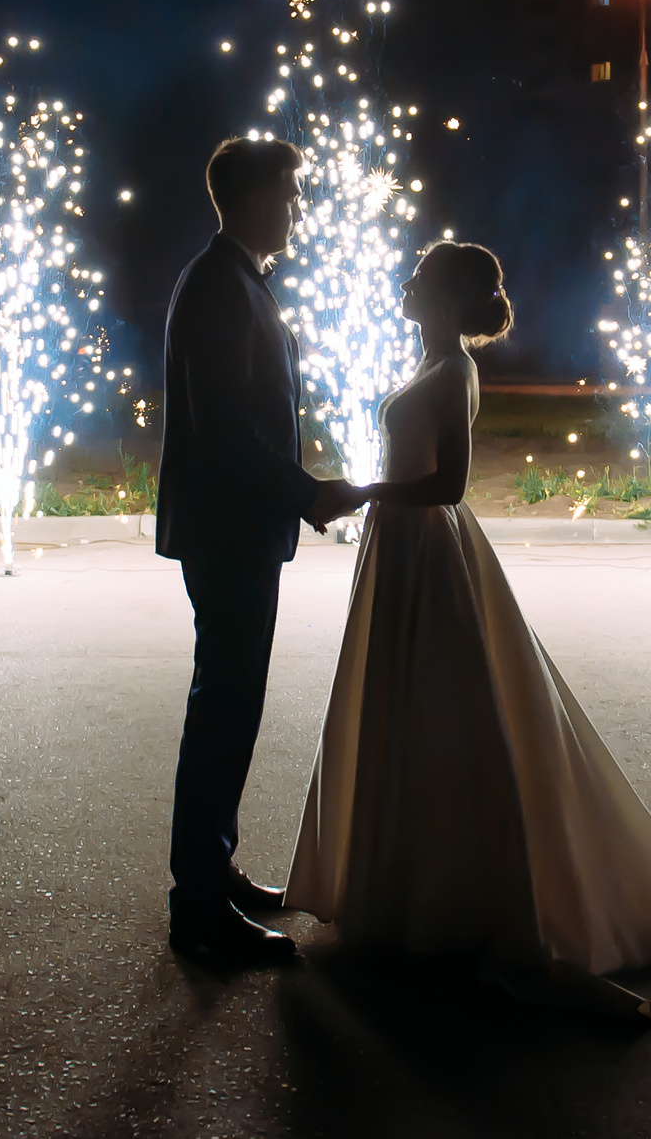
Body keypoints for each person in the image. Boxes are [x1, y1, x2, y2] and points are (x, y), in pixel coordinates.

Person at [283, 241, 651, 1019]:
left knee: (442, 714)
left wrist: (355, 489)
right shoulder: (431, 363)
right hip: (401, 549)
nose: (404, 281)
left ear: (445, 297)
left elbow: (451, 482)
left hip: (426, 547)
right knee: (407, 711)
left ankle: (448, 901)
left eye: (420, 277)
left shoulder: (453, 369)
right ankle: (407, 891)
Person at [156, 136, 362, 965]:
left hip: (236, 525)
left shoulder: (235, 279)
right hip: (229, 527)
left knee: (232, 705)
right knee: (223, 707)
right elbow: (227, 433)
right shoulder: (220, 286)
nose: (298, 208)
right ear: (249, 198)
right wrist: (306, 493)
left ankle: (214, 871)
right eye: (290, 193)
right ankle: (198, 905)